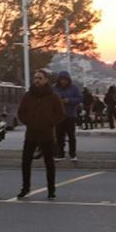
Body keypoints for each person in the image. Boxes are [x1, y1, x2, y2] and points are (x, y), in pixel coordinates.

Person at [16, 69, 65, 200]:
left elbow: (60, 114)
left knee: (49, 163)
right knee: (26, 162)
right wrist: (28, 122)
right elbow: (21, 112)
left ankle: (51, 190)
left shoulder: (53, 96)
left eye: (40, 78)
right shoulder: (28, 96)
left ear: (46, 80)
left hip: (46, 134)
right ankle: (25, 188)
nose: (37, 80)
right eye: (35, 78)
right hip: (31, 134)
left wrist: (50, 123)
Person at [54, 71, 82, 160]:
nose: (63, 81)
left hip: (70, 115)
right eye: (61, 79)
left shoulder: (74, 88)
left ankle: (72, 153)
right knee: (59, 135)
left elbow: (80, 98)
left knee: (71, 136)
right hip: (58, 116)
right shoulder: (54, 88)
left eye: (65, 79)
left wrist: (69, 101)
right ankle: (60, 153)